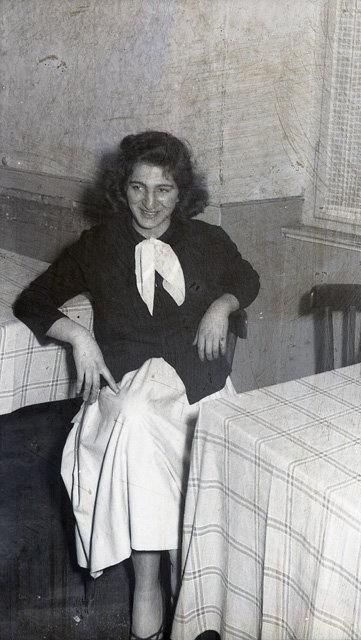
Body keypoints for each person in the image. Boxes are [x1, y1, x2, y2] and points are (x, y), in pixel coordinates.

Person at [14, 131, 260, 639]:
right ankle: (152, 584)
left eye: (164, 189)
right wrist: (79, 337)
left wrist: (221, 305)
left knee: (158, 435)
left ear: (182, 192)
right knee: (135, 421)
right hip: (128, 381)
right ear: (120, 188)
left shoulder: (207, 240)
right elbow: (32, 301)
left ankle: (178, 581)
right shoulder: (98, 245)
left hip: (195, 384)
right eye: (137, 188)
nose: (149, 203)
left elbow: (247, 278)